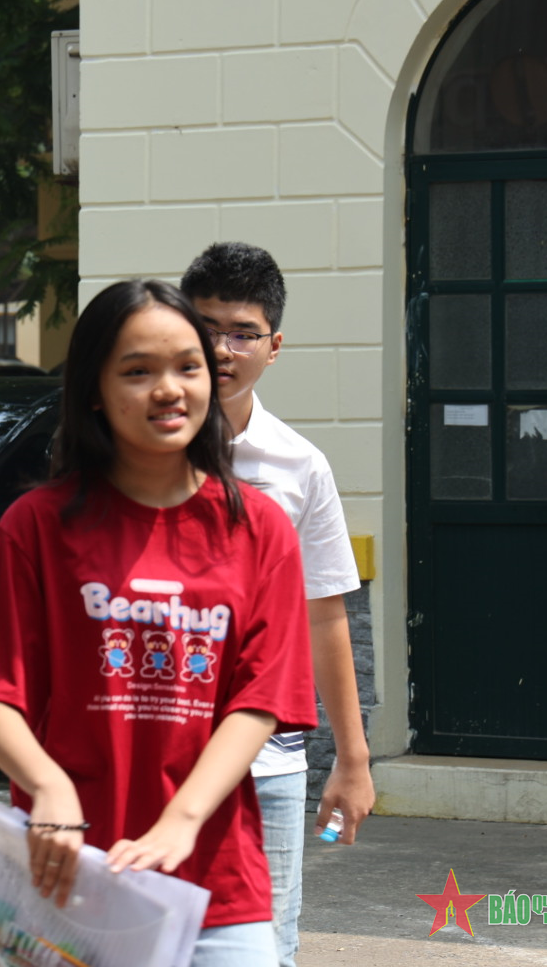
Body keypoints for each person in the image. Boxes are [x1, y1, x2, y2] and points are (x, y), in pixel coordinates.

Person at [0, 279, 317, 967]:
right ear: (94, 389)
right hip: (68, 883)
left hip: (218, 885)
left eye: (187, 366)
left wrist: (183, 821)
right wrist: (49, 787)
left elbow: (260, 700)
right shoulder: (37, 526)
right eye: (137, 371)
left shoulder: (259, 528)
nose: (169, 389)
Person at [182, 243, 373, 967]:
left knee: (266, 948)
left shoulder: (299, 467)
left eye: (242, 332)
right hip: (153, 748)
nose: (222, 348)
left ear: (274, 346)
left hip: (266, 761)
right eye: (205, 327)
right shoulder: (132, 452)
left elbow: (327, 615)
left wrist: (351, 761)